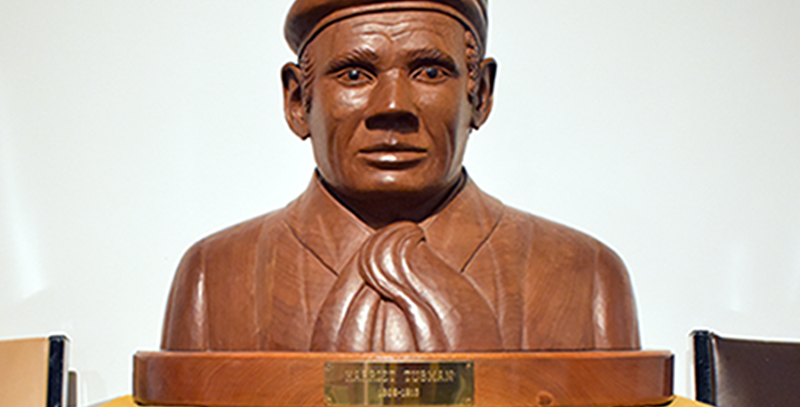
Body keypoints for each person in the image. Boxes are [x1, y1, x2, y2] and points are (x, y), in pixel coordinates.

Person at [161, 0, 640, 353]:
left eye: (430, 72)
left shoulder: (586, 278)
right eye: (355, 75)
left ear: (482, 95)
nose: (393, 107)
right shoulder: (213, 278)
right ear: (296, 102)